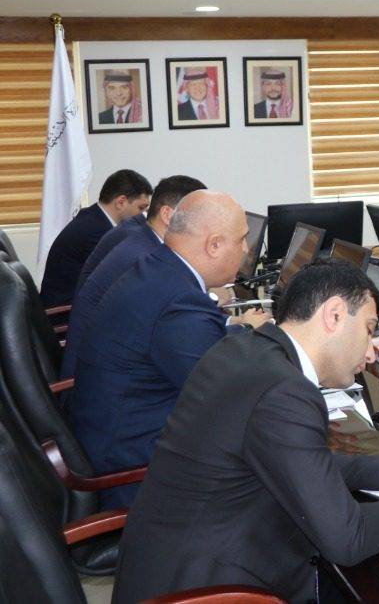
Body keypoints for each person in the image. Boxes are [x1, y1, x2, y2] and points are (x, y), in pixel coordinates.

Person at [111, 260, 379, 603]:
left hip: (170, 570)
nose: (372, 352)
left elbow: (304, 463)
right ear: (334, 315)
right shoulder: (283, 391)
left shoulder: (243, 351)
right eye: (369, 329)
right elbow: (349, 539)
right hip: (211, 589)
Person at [68, 190, 269, 507]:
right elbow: (227, 390)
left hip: (113, 437)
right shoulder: (177, 300)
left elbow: (198, 348)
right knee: (271, 472)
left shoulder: (159, 270)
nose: (246, 250)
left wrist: (241, 332)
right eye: (242, 239)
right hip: (134, 472)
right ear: (214, 245)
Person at [63, 175, 207, 379]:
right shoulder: (145, 257)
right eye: (199, 218)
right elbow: (176, 329)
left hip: (100, 365)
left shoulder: (138, 237)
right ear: (168, 215)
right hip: (99, 379)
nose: (205, 228)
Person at [39, 168, 152, 308]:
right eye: (141, 208)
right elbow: (116, 281)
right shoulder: (96, 232)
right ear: (121, 202)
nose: (144, 215)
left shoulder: (93, 219)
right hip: (66, 311)